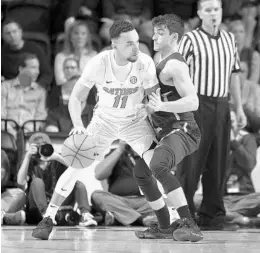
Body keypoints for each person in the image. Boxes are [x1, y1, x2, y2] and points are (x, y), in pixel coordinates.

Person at [32, 20, 161, 240]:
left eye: (137, 42)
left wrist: (154, 116)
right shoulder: (99, 63)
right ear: (114, 44)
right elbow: (76, 97)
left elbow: (155, 99)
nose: (136, 47)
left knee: (160, 165)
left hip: (135, 121)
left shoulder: (145, 62)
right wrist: (79, 126)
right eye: (129, 43)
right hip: (105, 122)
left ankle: (173, 219)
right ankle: (48, 218)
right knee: (75, 166)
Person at [176, 0, 247, 230]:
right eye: (208, 10)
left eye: (216, 9)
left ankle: (212, 215)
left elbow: (234, 75)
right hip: (197, 104)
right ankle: (183, 216)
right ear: (199, 13)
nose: (213, 14)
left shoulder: (229, 39)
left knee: (218, 162)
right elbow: (174, 73)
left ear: (222, 12)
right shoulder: (190, 39)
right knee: (191, 163)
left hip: (222, 104)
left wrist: (239, 108)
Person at [133, 14, 203, 242]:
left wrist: (162, 105)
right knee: (142, 173)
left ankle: (188, 223)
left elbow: (193, 102)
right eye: (154, 31)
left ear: (174, 36)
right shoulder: (158, 60)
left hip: (184, 129)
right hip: (166, 130)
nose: (154, 36)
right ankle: (165, 225)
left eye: (160, 33)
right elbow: (156, 102)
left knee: (158, 164)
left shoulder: (174, 64)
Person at [92, 140, 157, 226]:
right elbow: (99, 175)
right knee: (97, 195)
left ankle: (120, 218)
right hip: (120, 201)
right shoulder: (117, 153)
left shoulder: (149, 155)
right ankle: (140, 219)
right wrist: (120, 149)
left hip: (143, 202)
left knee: (161, 200)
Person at [1, 53, 47, 137]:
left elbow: (40, 117)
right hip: (5, 133)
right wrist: (11, 132)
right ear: (21, 69)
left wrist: (27, 133)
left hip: (29, 134)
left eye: (38, 68)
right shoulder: (4, 87)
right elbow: (1, 113)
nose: (37, 72)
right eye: (33, 67)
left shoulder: (40, 91)